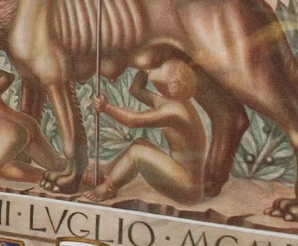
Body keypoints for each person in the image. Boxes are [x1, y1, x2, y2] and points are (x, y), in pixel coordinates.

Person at [84, 61, 207, 205]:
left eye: (159, 66)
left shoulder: (176, 111)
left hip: (187, 190)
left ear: (173, 85)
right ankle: (110, 173)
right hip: (183, 178)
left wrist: (106, 107)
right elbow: (136, 90)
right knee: (140, 143)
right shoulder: (171, 102)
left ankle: (109, 187)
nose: (155, 65)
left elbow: (133, 120)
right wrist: (143, 67)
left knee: (137, 153)